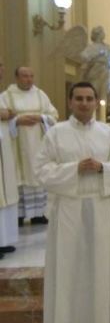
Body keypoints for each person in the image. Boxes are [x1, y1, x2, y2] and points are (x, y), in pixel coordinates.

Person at [34, 82, 110, 323]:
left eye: (89, 98)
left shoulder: (108, 134)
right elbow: (40, 170)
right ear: (70, 101)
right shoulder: (56, 134)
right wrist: (74, 169)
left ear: (96, 101)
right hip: (69, 208)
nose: (84, 103)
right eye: (79, 98)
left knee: (100, 267)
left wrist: (102, 169)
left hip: (100, 206)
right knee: (68, 266)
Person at [0, 66, 58, 226]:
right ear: (17, 77)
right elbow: (2, 119)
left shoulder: (40, 95)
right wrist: (17, 121)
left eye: (31, 76)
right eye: (25, 76)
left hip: (38, 145)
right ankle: (18, 216)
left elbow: (54, 115)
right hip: (16, 146)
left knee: (38, 175)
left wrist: (41, 118)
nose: (29, 79)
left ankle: (38, 214)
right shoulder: (6, 96)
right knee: (19, 177)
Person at [0, 58, 19, 259]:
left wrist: (9, 114)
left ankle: (2, 240)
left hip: (3, 151)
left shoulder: (3, 95)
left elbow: (11, 114)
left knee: (5, 193)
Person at [81, 26, 110, 107]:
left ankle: (104, 112)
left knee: (105, 93)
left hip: (106, 72)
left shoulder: (107, 47)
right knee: (94, 91)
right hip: (95, 72)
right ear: (97, 34)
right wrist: (96, 55)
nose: (103, 34)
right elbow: (83, 56)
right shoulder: (91, 47)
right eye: (102, 32)